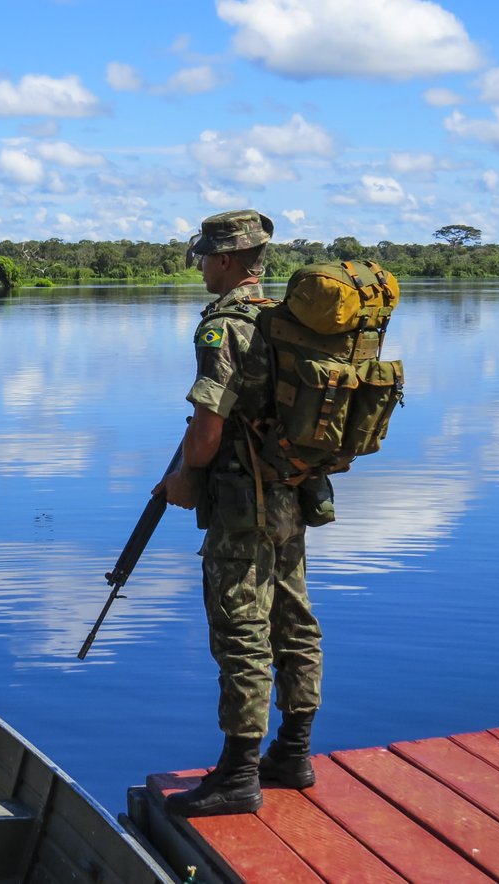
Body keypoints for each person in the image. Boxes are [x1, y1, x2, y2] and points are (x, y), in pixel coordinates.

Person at [154, 210, 323, 818]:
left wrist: (184, 478)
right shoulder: (283, 320)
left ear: (226, 260)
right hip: (292, 493)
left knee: (241, 628)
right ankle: (294, 752)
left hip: (240, 505)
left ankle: (238, 773)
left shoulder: (222, 328)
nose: (200, 265)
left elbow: (207, 429)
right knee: (294, 618)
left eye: (204, 256)